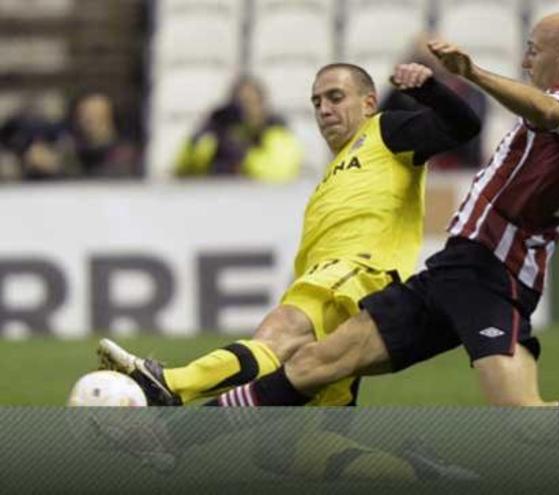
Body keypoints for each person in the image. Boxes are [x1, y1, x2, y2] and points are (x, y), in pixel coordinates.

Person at [205, 0, 559, 409]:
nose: (527, 60)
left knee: (523, 419)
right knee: (315, 364)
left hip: (492, 276)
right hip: (455, 270)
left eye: (533, 51)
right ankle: (186, 434)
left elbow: (547, 110)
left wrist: (475, 73)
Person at [98, 62, 481, 408]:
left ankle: (168, 385)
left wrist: (427, 89)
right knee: (303, 452)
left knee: (277, 335)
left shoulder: (385, 132)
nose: (324, 110)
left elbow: (464, 125)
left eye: (335, 97)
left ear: (368, 103)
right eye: (316, 102)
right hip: (339, 287)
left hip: (354, 277)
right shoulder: (333, 173)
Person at [381, 33, 488, 170]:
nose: (424, 69)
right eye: (421, 62)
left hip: (458, 169)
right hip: (407, 164)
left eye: (432, 61)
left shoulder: (471, 94)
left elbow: (470, 138)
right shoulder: (400, 94)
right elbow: (383, 129)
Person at [175, 76, 305, 182]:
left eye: (250, 103)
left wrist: (242, 155)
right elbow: (182, 170)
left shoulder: (277, 132)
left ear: (261, 105)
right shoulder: (219, 136)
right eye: (239, 104)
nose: (245, 111)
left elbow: (278, 173)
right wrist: (200, 136)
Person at [68, 91, 141, 178]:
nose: (91, 122)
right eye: (85, 116)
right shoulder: (72, 152)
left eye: (98, 116)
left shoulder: (126, 155)